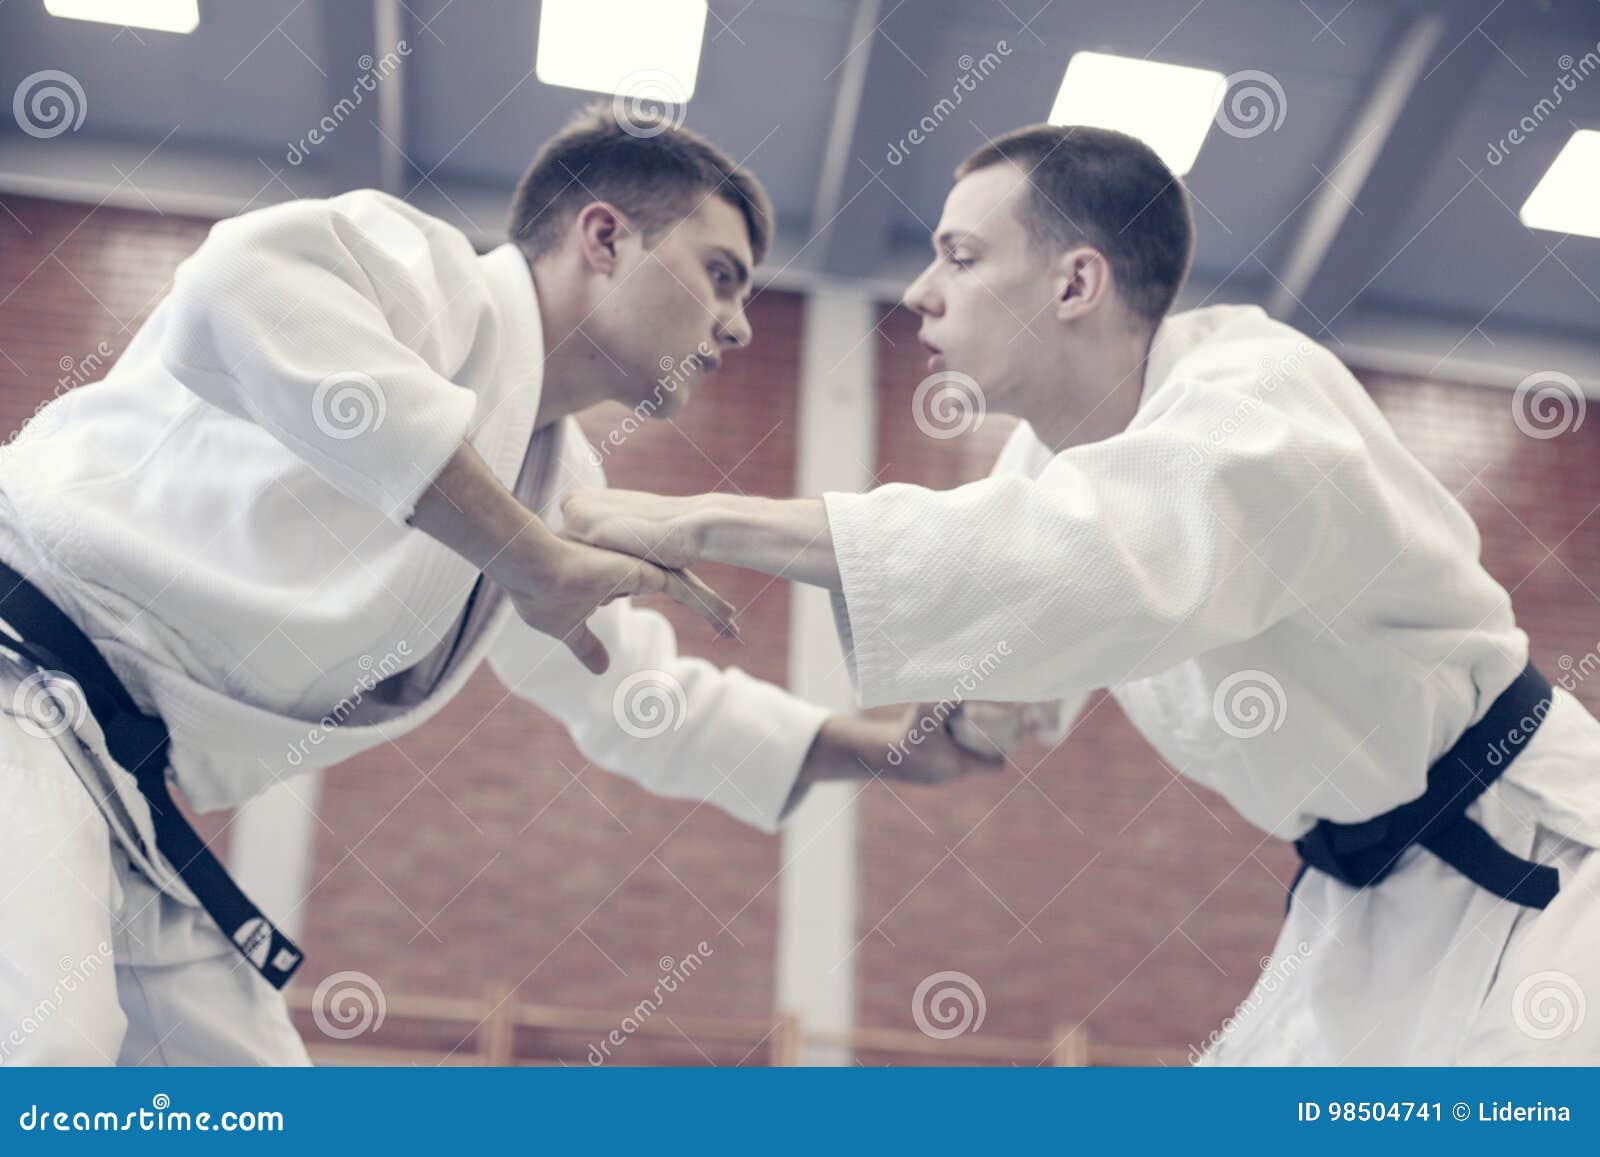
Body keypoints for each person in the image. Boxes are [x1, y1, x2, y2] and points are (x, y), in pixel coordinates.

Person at [561, 123, 1600, 1064]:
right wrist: (950, 731)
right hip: (1367, 905)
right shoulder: (1042, 471)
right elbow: (1024, 634)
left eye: (960, 257)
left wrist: (701, 518)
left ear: (1074, 284)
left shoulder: (1261, 398)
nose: (921, 290)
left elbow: (1087, 557)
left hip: (1548, 858)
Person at [0, 103, 993, 1066]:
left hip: (120, 796)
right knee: (43, 1051)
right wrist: (526, 554)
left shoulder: (551, 485)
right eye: (720, 275)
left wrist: (894, 749)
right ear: (603, 236)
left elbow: (641, 696)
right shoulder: (427, 277)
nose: (736, 326)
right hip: (20, 678)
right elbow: (240, 282)